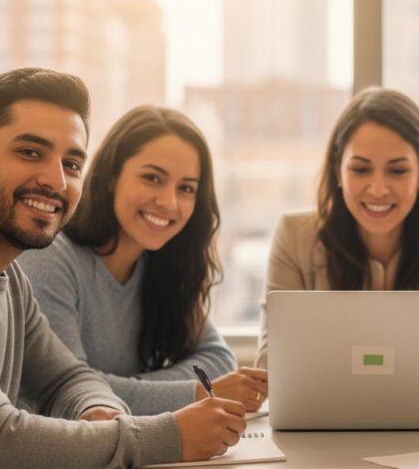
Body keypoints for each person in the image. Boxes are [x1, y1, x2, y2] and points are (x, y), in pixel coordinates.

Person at [0, 68, 245, 469]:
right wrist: (169, 436)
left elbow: (67, 379)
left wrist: (100, 413)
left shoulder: (8, 276)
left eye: (72, 164)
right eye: (30, 152)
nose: (55, 180)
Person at [18, 106, 267, 416]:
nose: (169, 202)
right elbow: (65, 393)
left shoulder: (163, 265)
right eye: (152, 178)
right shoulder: (50, 257)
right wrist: (198, 392)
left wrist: (119, 387)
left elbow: (218, 359)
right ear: (111, 177)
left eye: (186, 188)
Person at [254, 87, 419, 383]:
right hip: (326, 422)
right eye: (360, 169)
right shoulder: (294, 235)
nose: (378, 189)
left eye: (397, 171)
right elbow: (271, 365)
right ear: (338, 171)